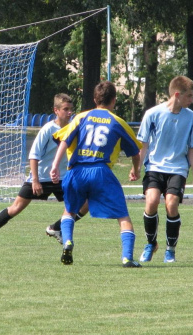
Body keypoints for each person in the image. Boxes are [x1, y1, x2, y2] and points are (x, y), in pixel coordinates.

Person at [0, 93, 89, 246]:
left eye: (71, 109)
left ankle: (56, 228)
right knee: (16, 208)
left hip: (63, 178)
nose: (69, 112)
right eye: (66, 109)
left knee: (85, 203)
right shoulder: (48, 129)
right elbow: (33, 156)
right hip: (41, 177)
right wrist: (35, 180)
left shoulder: (74, 128)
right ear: (56, 110)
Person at [50, 81, 142, 267]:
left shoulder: (81, 117)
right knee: (123, 217)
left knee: (69, 210)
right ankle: (127, 258)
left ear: (94, 99)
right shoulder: (118, 122)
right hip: (101, 171)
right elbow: (135, 152)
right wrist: (135, 169)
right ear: (114, 100)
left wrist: (54, 165)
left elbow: (65, 141)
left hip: (76, 171)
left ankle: (67, 241)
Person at [136, 76, 193, 263]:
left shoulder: (191, 117)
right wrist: (137, 167)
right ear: (177, 94)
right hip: (155, 167)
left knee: (171, 204)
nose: (192, 100)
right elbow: (144, 145)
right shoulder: (153, 114)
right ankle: (151, 244)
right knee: (151, 202)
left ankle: (170, 249)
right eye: (189, 96)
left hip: (178, 168)